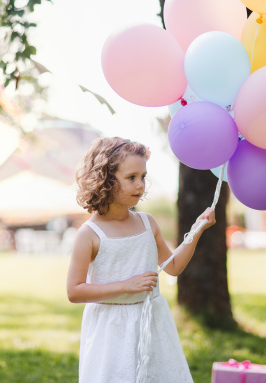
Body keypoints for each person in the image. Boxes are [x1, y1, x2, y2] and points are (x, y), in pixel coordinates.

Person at [67, 137, 216, 383]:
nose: (141, 185)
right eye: (131, 177)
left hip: (152, 319)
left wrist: (197, 229)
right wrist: (126, 286)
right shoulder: (90, 234)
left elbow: (174, 266)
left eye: (143, 176)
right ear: (105, 179)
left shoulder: (147, 223)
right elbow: (74, 291)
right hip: (111, 328)